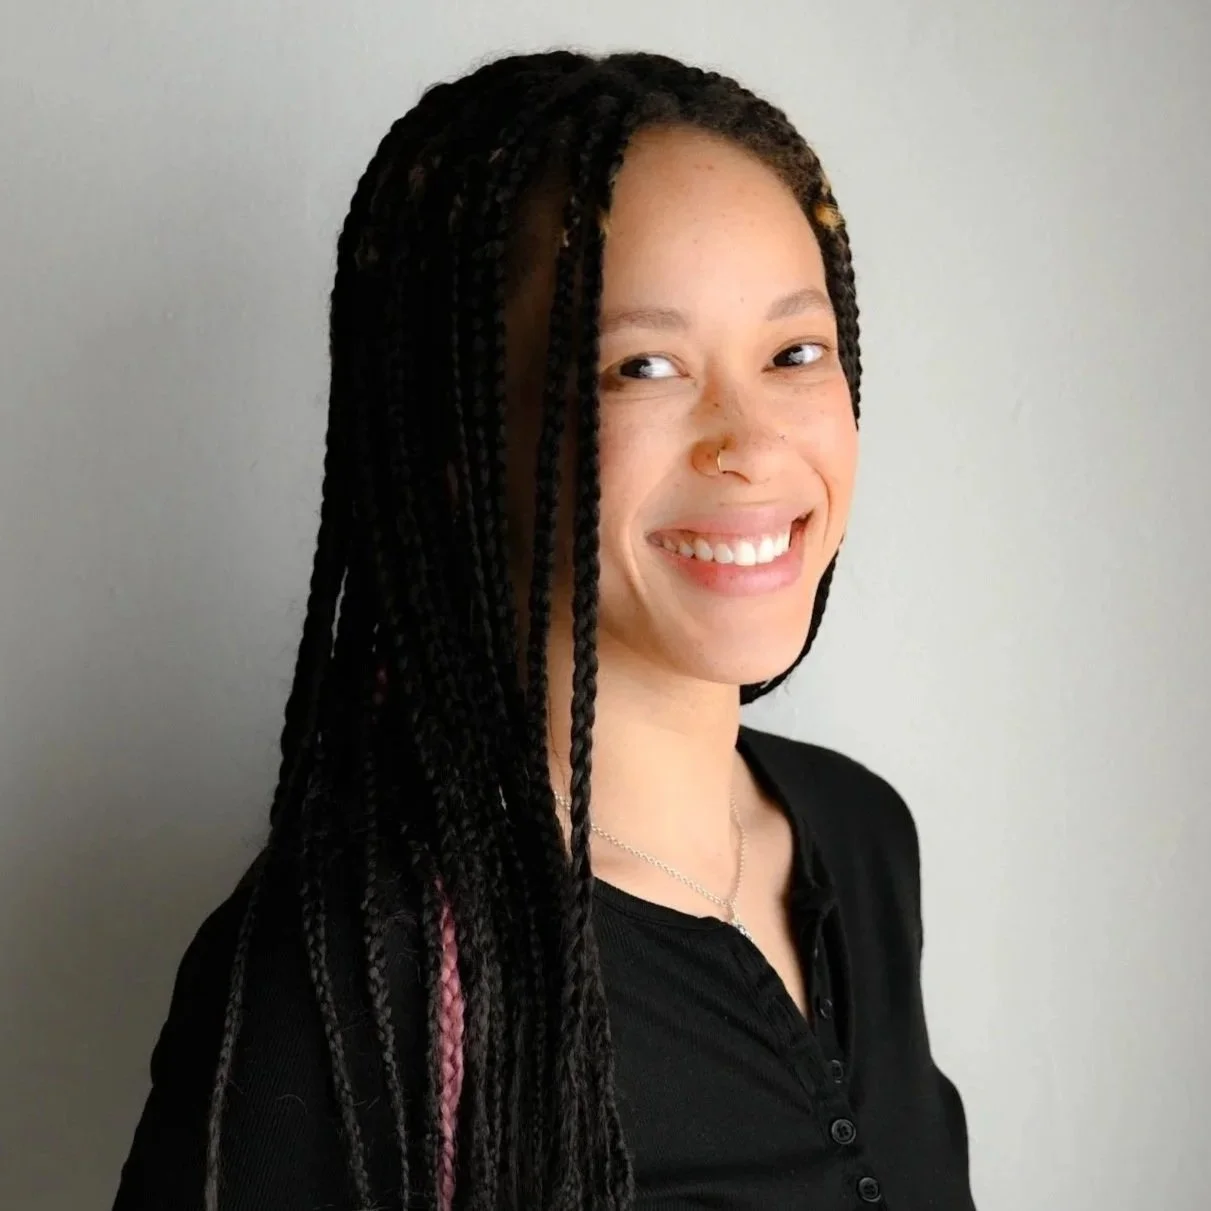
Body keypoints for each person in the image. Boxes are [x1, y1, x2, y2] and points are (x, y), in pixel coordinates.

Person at [112, 49, 976, 1211]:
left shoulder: (861, 836)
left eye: (792, 352)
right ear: (464, 445)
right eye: (643, 365)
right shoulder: (354, 974)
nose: (750, 440)